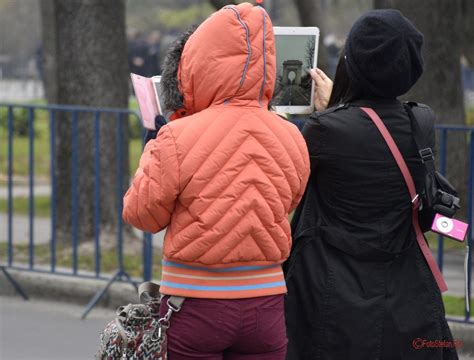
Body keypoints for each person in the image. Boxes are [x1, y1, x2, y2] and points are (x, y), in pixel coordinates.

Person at [122, 3, 310, 359]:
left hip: (193, 303)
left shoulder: (177, 137)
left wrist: (153, 152)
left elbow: (141, 215)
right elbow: (288, 202)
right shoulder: (292, 137)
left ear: (196, 65)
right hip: (266, 304)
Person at [284, 9, 458, 360]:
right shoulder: (420, 120)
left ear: (353, 63)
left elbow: (289, 190)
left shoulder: (325, 129)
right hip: (407, 294)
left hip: (331, 293)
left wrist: (329, 110)